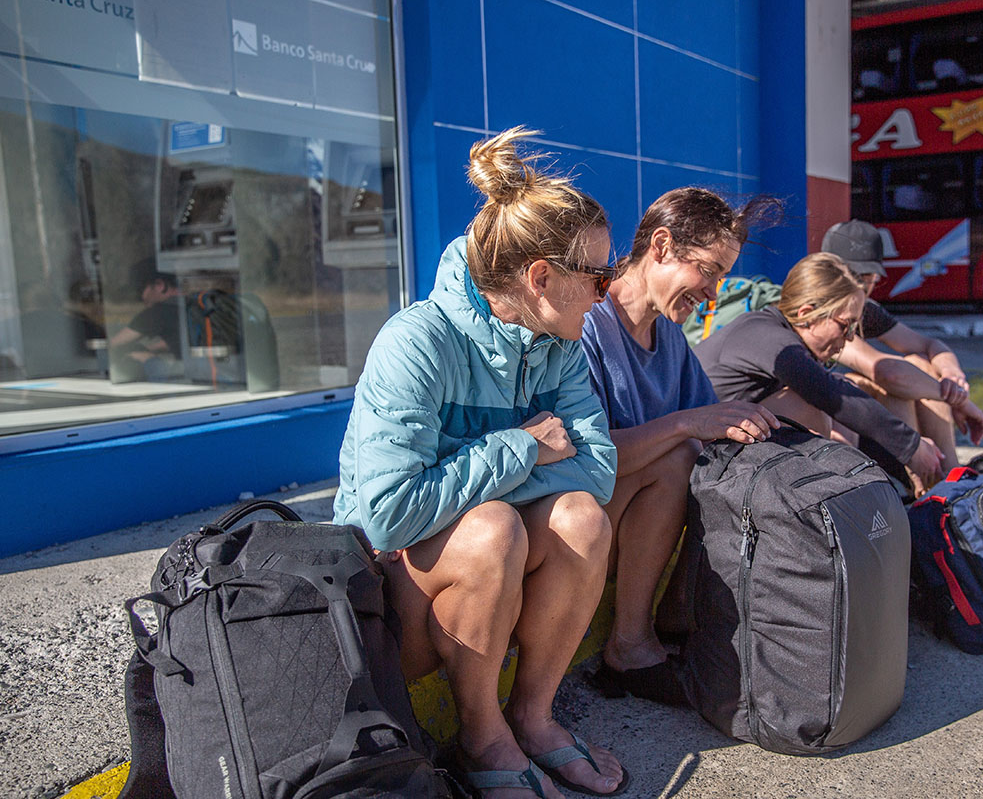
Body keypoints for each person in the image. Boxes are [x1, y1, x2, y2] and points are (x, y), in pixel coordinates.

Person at [332, 128, 627, 798]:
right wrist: (519, 448)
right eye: (598, 276)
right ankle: (482, 737)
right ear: (541, 278)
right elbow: (387, 518)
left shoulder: (558, 348)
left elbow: (598, 471)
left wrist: (466, 488)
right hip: (390, 606)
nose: (605, 294)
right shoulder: (416, 343)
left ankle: (533, 717)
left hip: (486, 575)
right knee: (494, 528)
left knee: (581, 519)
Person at [580, 187, 780, 704]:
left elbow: (710, 431)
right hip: (578, 533)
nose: (712, 294)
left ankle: (679, 613)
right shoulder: (586, 324)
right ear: (662, 246)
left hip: (626, 525)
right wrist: (684, 424)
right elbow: (585, 461)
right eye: (708, 271)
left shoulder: (668, 335)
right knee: (677, 455)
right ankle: (629, 645)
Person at [694, 252, 946, 494]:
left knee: (843, 393)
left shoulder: (775, 330)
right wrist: (911, 447)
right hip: (700, 458)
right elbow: (832, 396)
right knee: (811, 408)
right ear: (806, 314)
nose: (849, 338)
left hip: (719, 444)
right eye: (845, 326)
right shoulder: (773, 340)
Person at [821, 220, 983, 470]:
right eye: (852, 277)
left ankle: (947, 475)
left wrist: (952, 374)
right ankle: (922, 480)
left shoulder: (865, 308)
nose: (860, 286)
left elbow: (930, 344)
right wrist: (959, 400)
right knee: (889, 384)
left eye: (867, 277)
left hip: (853, 414)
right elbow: (886, 373)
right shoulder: (824, 312)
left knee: (919, 363)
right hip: (816, 418)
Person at [109, 268, 185, 381]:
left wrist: (145, 356)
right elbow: (174, 341)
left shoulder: (159, 312)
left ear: (159, 285)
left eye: (139, 291)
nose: (139, 299)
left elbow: (114, 343)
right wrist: (149, 349)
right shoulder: (188, 304)